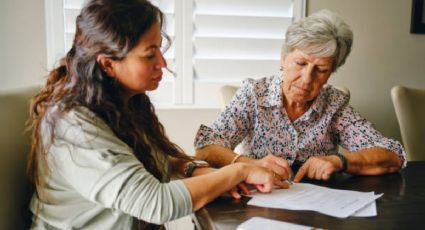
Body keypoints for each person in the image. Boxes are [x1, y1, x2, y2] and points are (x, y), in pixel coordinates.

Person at [27, 0, 278, 229]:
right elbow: (156, 204)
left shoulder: (121, 102)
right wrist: (239, 171)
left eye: (159, 49)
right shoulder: (74, 125)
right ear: (108, 64)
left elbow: (152, 159)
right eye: (150, 55)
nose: (163, 63)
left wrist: (194, 169)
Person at [194, 9, 406, 184]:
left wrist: (339, 160)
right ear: (284, 58)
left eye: (321, 69)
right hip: (259, 199)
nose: (306, 79)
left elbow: (392, 155)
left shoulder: (335, 105)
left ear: (331, 72)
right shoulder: (254, 94)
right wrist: (250, 164)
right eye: (301, 63)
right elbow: (206, 148)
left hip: (317, 207)